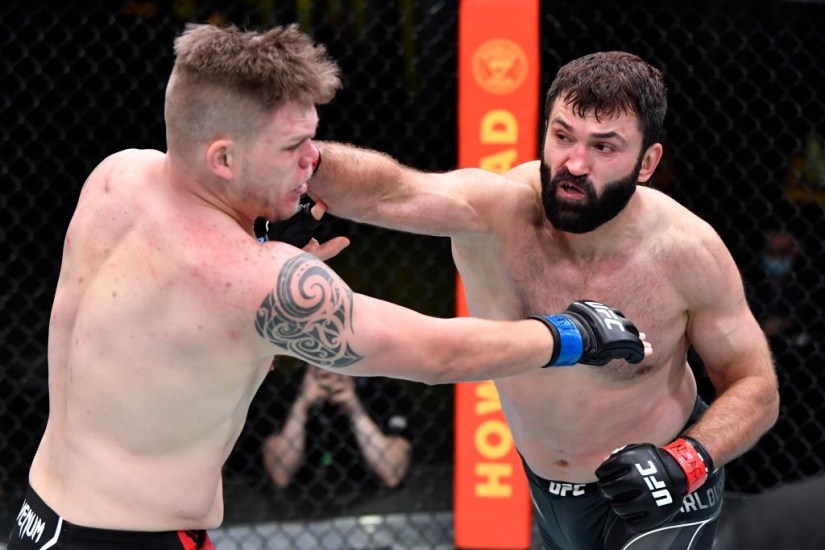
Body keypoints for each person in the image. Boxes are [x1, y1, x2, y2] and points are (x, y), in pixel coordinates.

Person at [7, 25, 650, 550]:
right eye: (295, 145)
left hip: (40, 518)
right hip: (129, 542)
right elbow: (439, 354)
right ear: (224, 158)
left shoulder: (118, 177)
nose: (315, 161)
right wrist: (573, 333)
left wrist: (257, 253)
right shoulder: (261, 280)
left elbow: (190, 326)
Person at [306, 51, 780, 549]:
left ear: (647, 163)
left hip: (661, 493)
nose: (574, 163)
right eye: (562, 136)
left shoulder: (687, 252)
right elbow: (390, 192)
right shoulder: (496, 215)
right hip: (548, 492)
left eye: (604, 147)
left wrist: (687, 459)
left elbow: (757, 386)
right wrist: (298, 160)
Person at [261, 362, 412, 517]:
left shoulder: (381, 391)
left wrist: (355, 410)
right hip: (298, 507)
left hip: (372, 504)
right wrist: (301, 406)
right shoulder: (288, 389)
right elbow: (280, 475)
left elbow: (392, 474)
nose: (330, 374)